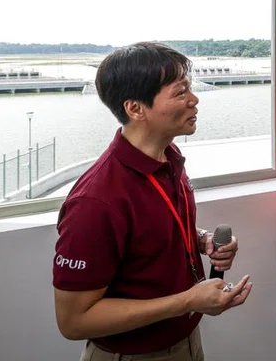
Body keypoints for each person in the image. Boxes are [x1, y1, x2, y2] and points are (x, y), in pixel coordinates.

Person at [53, 42, 252, 361]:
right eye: (180, 92)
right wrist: (189, 301)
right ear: (135, 109)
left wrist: (201, 240)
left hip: (186, 341)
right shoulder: (96, 201)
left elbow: (153, 231)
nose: (194, 99)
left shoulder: (168, 157)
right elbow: (74, 321)